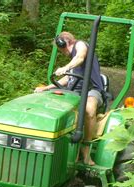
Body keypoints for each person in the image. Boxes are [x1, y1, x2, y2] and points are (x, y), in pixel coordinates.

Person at [34, 31, 104, 166]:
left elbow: (80, 57)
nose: (61, 52)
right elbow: (68, 77)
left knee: (89, 109)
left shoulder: (81, 46)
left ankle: (86, 149)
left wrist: (66, 67)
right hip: (74, 93)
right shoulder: (73, 63)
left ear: (64, 43)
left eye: (60, 49)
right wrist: (47, 88)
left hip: (91, 90)